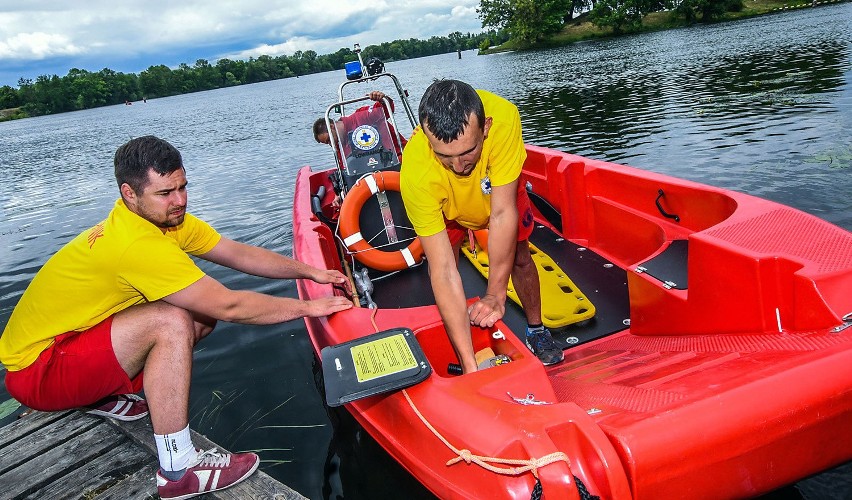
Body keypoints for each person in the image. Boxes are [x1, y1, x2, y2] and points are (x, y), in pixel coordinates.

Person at [0, 135, 353, 499]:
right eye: (166, 192)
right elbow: (229, 305)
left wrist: (311, 272)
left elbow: (237, 253)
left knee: (197, 316)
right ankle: (179, 468)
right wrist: (309, 307)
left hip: (66, 345)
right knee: (171, 320)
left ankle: (102, 396)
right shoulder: (136, 243)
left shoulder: (163, 221)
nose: (180, 200)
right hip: (35, 371)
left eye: (183, 187)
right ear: (129, 193)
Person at [399, 79, 564, 374]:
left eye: (468, 152)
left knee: (521, 256)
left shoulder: (504, 118)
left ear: (485, 128)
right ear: (427, 139)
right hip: (447, 204)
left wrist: (495, 295)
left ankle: (537, 330)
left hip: (497, 192)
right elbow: (443, 270)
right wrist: (470, 368)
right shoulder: (415, 171)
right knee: (444, 264)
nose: (459, 166)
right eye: (445, 156)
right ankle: (463, 351)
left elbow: (502, 213)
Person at [312, 90, 407, 160]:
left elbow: (386, 110)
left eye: (329, 140)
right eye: (328, 143)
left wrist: (381, 99)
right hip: (375, 174)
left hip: (400, 158)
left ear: (332, 126)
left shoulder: (362, 116)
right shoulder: (340, 148)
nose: (331, 144)